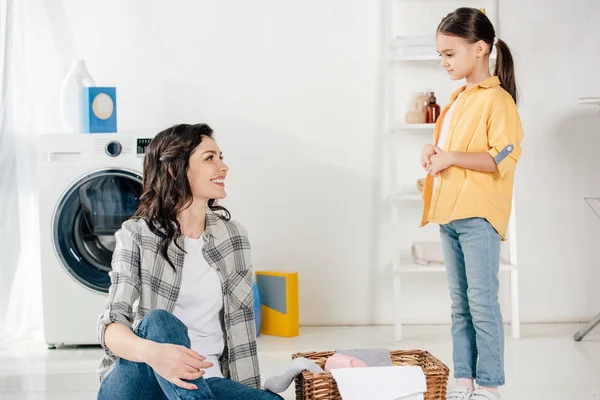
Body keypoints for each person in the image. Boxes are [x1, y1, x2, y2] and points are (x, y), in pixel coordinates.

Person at [96, 123, 282, 400]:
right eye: (210, 158)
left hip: (207, 382)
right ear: (175, 169)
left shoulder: (233, 237)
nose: (223, 167)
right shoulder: (136, 234)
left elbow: (241, 331)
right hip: (141, 382)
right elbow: (112, 325)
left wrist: (249, 391)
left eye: (221, 157)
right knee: (160, 323)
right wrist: (154, 353)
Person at [420, 7, 524, 400]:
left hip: (478, 217)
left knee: (482, 305)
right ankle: (464, 382)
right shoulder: (458, 99)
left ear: (480, 49)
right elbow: (453, 152)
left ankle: (490, 385)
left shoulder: (498, 102)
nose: (444, 62)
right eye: (441, 55)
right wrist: (434, 151)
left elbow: (502, 158)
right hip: (449, 214)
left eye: (450, 53)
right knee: (460, 306)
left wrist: (451, 158)